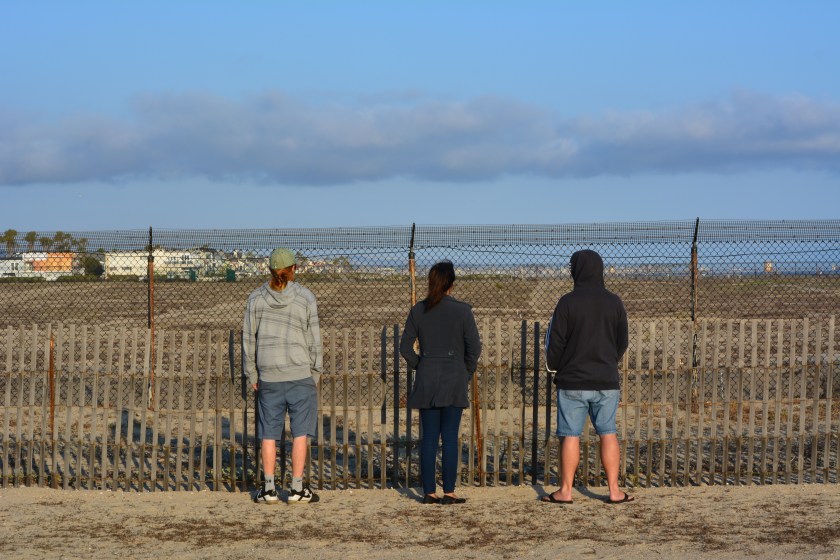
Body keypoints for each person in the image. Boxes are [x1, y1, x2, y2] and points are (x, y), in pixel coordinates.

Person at [543, 249, 633, 505]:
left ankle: (565, 491)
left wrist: (556, 366)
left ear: (576, 271)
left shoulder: (567, 302)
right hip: (606, 380)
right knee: (608, 433)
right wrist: (608, 361)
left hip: (573, 380)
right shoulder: (614, 302)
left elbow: (556, 344)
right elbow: (622, 341)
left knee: (570, 435)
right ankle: (615, 491)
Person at [244, 247, 323, 504]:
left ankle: (268, 489)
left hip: (269, 375)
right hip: (300, 374)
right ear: (294, 269)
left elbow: (248, 340)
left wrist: (252, 372)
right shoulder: (305, 298)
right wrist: (315, 371)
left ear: (269, 270)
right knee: (301, 432)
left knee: (269, 432)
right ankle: (298, 489)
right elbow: (314, 339)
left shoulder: (256, 299)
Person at [400, 261, 481, 505]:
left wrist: (421, 365)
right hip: (454, 379)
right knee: (449, 437)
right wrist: (464, 371)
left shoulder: (418, 311)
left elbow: (405, 348)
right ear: (451, 284)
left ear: (431, 282)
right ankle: (449, 492)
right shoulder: (463, 311)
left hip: (427, 379)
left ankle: (428, 493)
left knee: (429, 439)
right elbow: (474, 349)